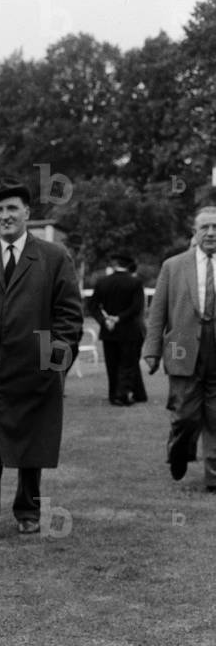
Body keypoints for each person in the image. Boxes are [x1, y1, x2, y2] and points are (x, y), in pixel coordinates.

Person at [0, 176, 83, 541]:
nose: (5, 216)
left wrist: (53, 365)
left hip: (34, 369)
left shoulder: (54, 257)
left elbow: (69, 316)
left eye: (12, 208)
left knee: (31, 442)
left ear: (27, 212)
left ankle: (28, 510)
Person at [143, 203, 216, 488]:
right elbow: (157, 312)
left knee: (215, 416)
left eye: (215, 227)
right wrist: (151, 351)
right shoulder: (173, 266)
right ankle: (180, 450)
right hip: (182, 349)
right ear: (194, 232)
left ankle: (213, 477)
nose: (211, 233)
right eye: (205, 227)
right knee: (185, 415)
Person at [88, 251, 147, 406]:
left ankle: (113, 394)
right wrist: (119, 318)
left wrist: (104, 320)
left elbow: (92, 306)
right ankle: (122, 395)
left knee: (111, 364)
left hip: (109, 330)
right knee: (127, 363)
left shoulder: (102, 282)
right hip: (128, 329)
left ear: (114, 265)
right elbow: (136, 307)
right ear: (128, 265)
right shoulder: (135, 283)